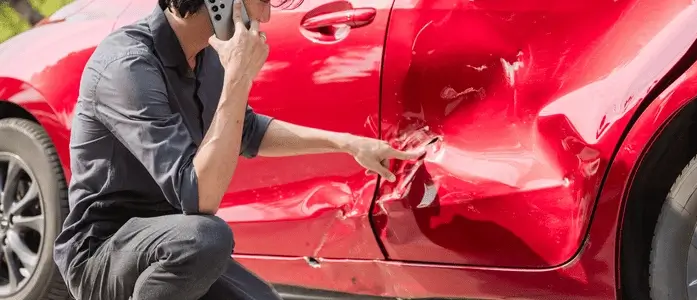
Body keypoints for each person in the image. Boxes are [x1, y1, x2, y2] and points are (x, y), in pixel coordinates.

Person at [51, 0, 423, 299]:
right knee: (207, 237)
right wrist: (238, 76)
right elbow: (198, 198)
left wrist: (345, 143)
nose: (268, 15)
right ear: (218, 3)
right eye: (261, 1)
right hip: (104, 255)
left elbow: (246, 129)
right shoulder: (128, 67)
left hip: (171, 245)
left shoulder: (205, 57)